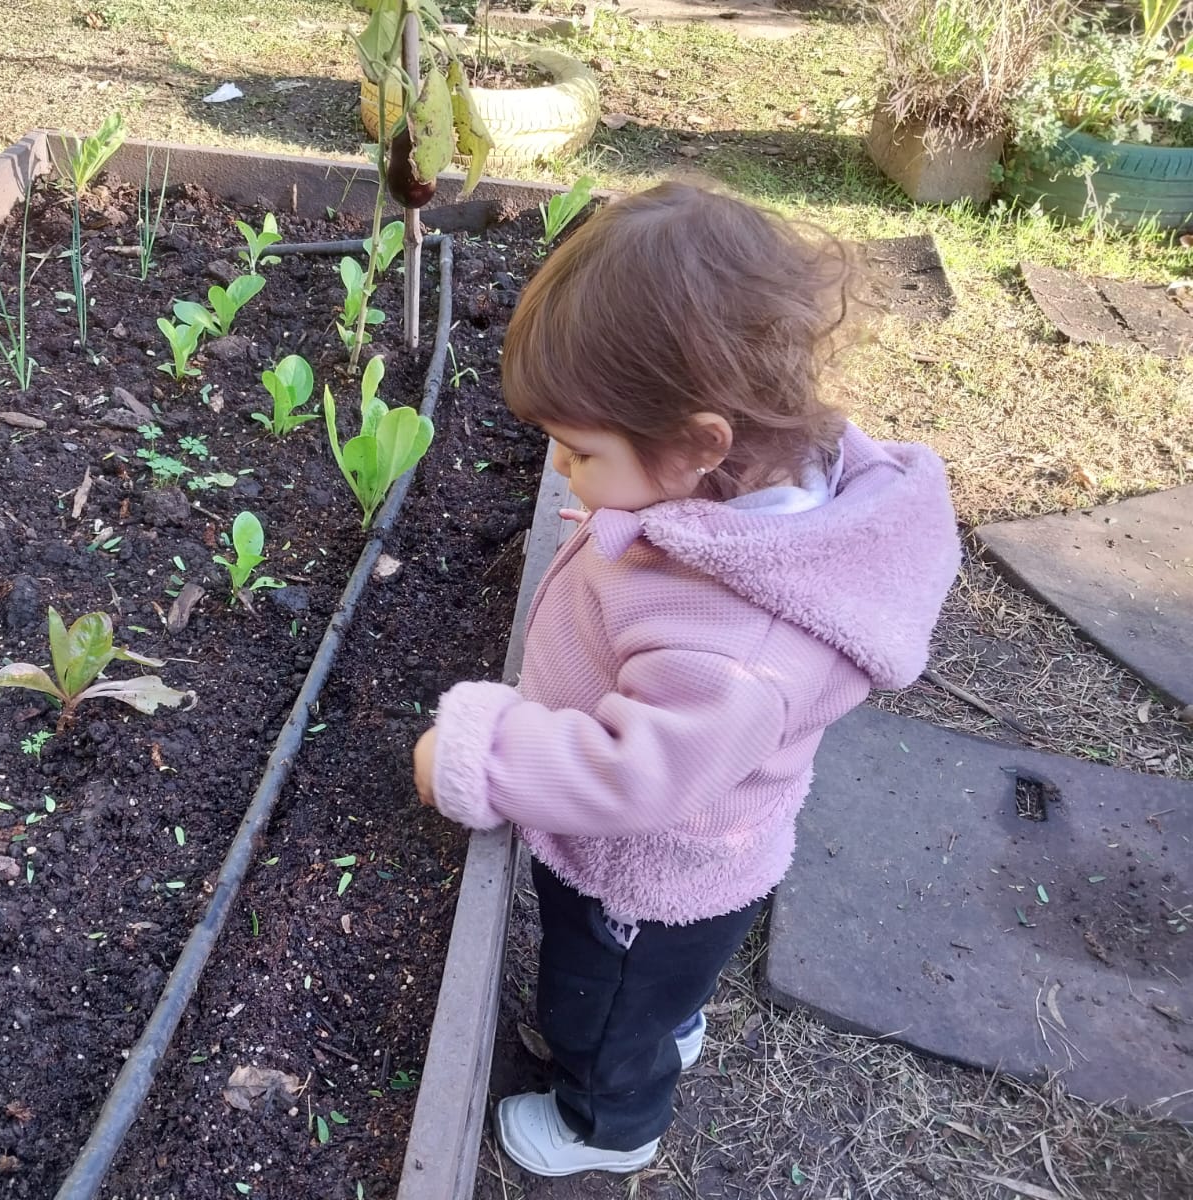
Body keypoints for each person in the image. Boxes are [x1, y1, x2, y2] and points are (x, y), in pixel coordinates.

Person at [410, 182, 961, 1178]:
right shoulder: (736, 497)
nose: (563, 471)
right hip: (702, 857)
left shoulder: (741, 646)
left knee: (598, 1008)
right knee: (657, 987)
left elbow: (637, 775)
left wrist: (479, 752)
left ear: (700, 443)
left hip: (649, 871)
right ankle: (667, 1017)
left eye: (578, 452)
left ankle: (609, 1125)